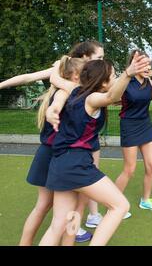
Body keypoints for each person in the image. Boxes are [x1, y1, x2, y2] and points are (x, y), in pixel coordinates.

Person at [39, 53, 149, 246]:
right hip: (76, 165)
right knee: (120, 205)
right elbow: (111, 96)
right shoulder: (92, 98)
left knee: (63, 221)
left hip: (60, 163)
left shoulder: (75, 90)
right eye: (113, 76)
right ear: (103, 81)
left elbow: (56, 79)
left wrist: (58, 65)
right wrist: (128, 74)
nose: (115, 79)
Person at [1, 40, 106, 242]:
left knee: (56, 207)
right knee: (50, 207)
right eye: (99, 58)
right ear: (84, 59)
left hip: (58, 153)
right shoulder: (69, 85)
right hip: (57, 154)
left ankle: (76, 226)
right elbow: (37, 83)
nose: (102, 61)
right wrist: (52, 110)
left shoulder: (72, 82)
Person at [19, 56, 85, 245]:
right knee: (68, 211)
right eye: (85, 73)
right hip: (60, 156)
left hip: (51, 154)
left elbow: (27, 78)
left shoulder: (63, 89)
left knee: (47, 207)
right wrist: (53, 110)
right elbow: (58, 100)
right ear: (74, 76)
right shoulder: (67, 91)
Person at [114, 49, 152, 216]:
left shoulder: (148, 81)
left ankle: (145, 200)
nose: (147, 66)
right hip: (129, 125)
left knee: (151, 166)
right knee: (130, 169)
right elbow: (113, 96)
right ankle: (113, 204)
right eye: (143, 63)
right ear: (133, 64)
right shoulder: (126, 81)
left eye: (148, 63)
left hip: (145, 125)